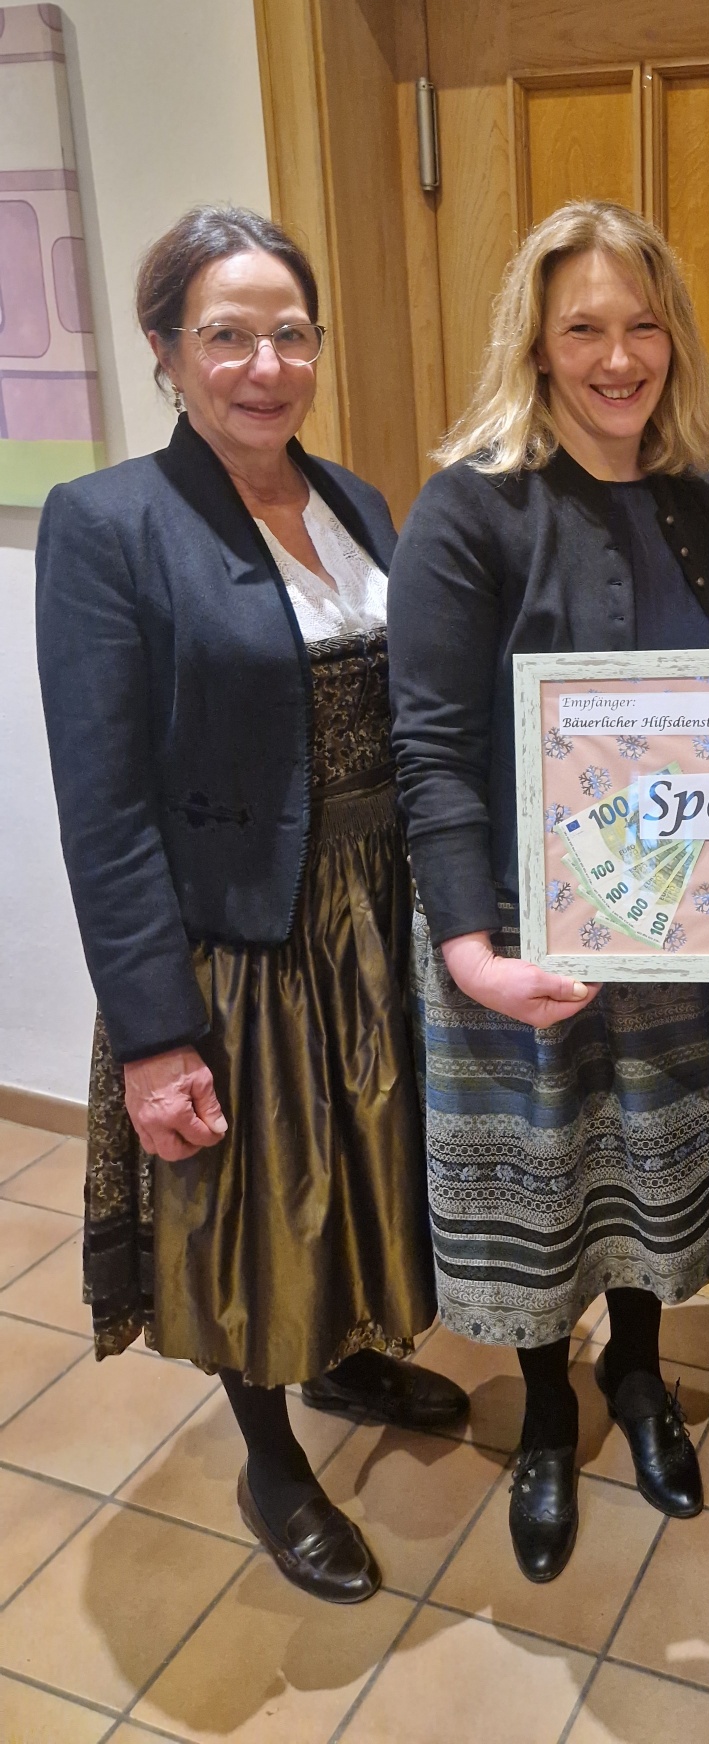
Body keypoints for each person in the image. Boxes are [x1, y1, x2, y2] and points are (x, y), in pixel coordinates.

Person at [35, 206, 467, 1607]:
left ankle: (347, 1360)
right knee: (249, 1209)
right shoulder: (107, 523)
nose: (266, 365)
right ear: (166, 352)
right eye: (227, 336)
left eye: (290, 333)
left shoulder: (356, 500)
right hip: (240, 934)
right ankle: (272, 1457)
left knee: (361, 1162)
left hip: (374, 908)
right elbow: (103, 804)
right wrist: (157, 1033)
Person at [387, 199, 709, 1586]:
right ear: (536, 344)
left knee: (651, 1177)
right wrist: (469, 948)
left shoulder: (690, 498)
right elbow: (430, 747)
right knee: (541, 1190)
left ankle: (639, 1379)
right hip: (516, 927)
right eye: (583, 327)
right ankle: (548, 1414)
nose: (617, 357)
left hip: (670, 925)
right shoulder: (467, 506)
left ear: (675, 338)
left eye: (642, 325)